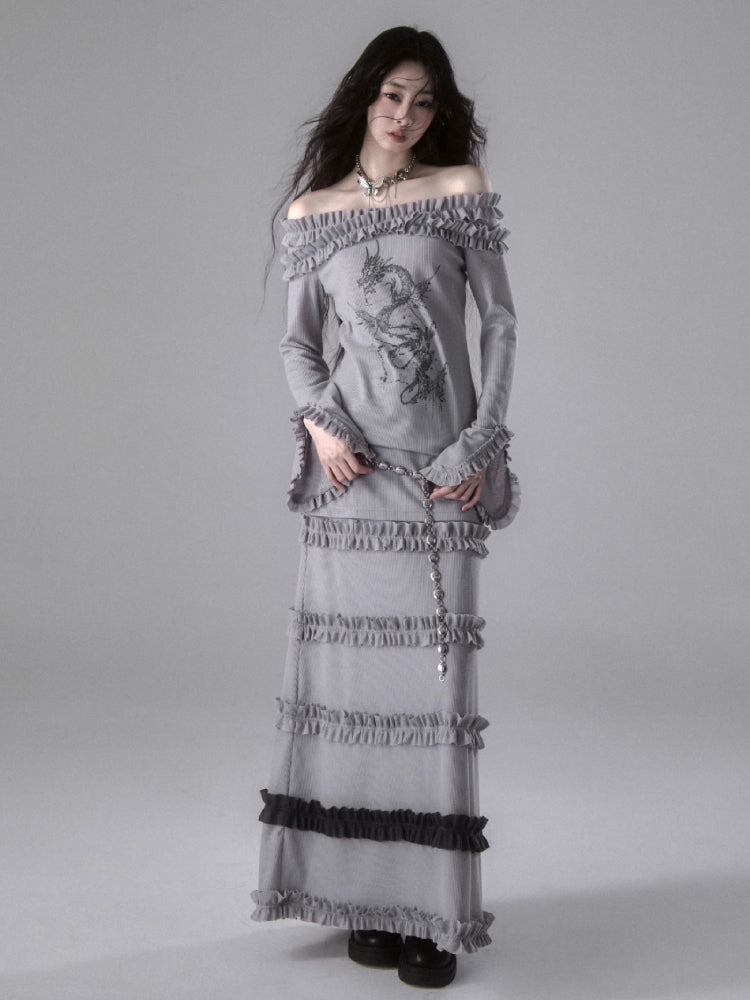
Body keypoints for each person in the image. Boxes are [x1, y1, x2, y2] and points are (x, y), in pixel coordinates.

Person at [251, 26, 520, 989]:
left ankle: (432, 916)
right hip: (350, 480)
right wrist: (322, 427)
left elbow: (499, 323)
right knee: (350, 698)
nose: (406, 116)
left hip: (439, 471)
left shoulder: (459, 190)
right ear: (364, 97)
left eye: (423, 101)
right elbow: (298, 345)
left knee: (431, 702)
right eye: (392, 96)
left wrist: (480, 442)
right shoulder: (311, 212)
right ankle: (364, 899)